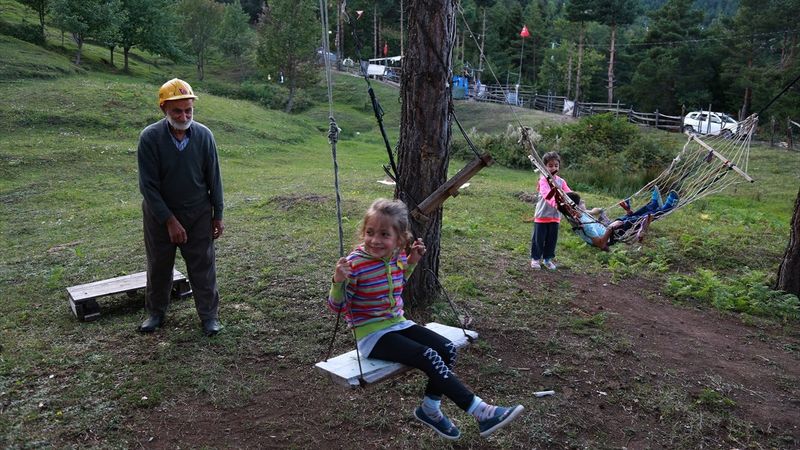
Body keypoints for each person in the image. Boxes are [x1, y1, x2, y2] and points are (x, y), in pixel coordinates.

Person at [328, 199, 524, 440]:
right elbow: (337, 307)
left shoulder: (395, 257)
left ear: (399, 239)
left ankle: (430, 409)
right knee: (427, 355)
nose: (375, 240)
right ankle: (481, 411)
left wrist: (411, 262)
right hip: (371, 335)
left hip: (398, 323)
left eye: (384, 234)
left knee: (447, 348)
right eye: (370, 232)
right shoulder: (355, 264)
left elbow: (398, 284)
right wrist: (338, 281)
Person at [137, 78, 225, 336]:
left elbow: (214, 178)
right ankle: (156, 313)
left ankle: (209, 316)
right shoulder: (150, 138)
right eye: (177, 111)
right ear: (163, 108)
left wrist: (218, 214)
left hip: (198, 213)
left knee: (203, 266)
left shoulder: (204, 135)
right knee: (159, 265)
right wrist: (169, 220)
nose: (184, 116)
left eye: (188, 110)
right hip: (159, 216)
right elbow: (148, 186)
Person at [561, 189, 679, 251]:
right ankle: (666, 208)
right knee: (638, 219)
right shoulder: (586, 226)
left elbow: (595, 211)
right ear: (575, 209)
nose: (583, 202)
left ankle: (653, 205)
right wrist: (610, 228)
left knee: (632, 215)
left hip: (611, 226)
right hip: (615, 233)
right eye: (581, 203)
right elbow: (601, 244)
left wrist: (595, 211)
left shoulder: (578, 215)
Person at [530, 152, 571, 270]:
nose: (553, 168)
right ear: (544, 167)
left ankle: (547, 259)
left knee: (551, 240)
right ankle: (535, 259)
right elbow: (547, 195)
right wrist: (557, 204)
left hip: (555, 217)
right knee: (538, 240)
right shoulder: (543, 181)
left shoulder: (561, 182)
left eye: (556, 165)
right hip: (542, 216)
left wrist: (575, 202)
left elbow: (569, 193)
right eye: (550, 165)